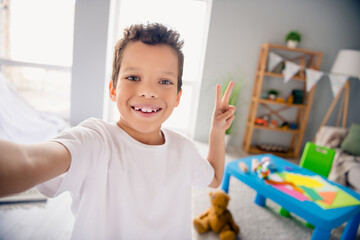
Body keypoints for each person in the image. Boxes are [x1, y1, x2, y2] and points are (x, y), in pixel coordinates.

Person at [0, 23, 236, 239]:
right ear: (113, 90)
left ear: (178, 97)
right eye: (133, 77)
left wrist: (216, 130)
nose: (148, 91)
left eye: (164, 81)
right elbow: (27, 162)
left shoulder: (183, 148)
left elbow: (214, 178)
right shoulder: (95, 141)